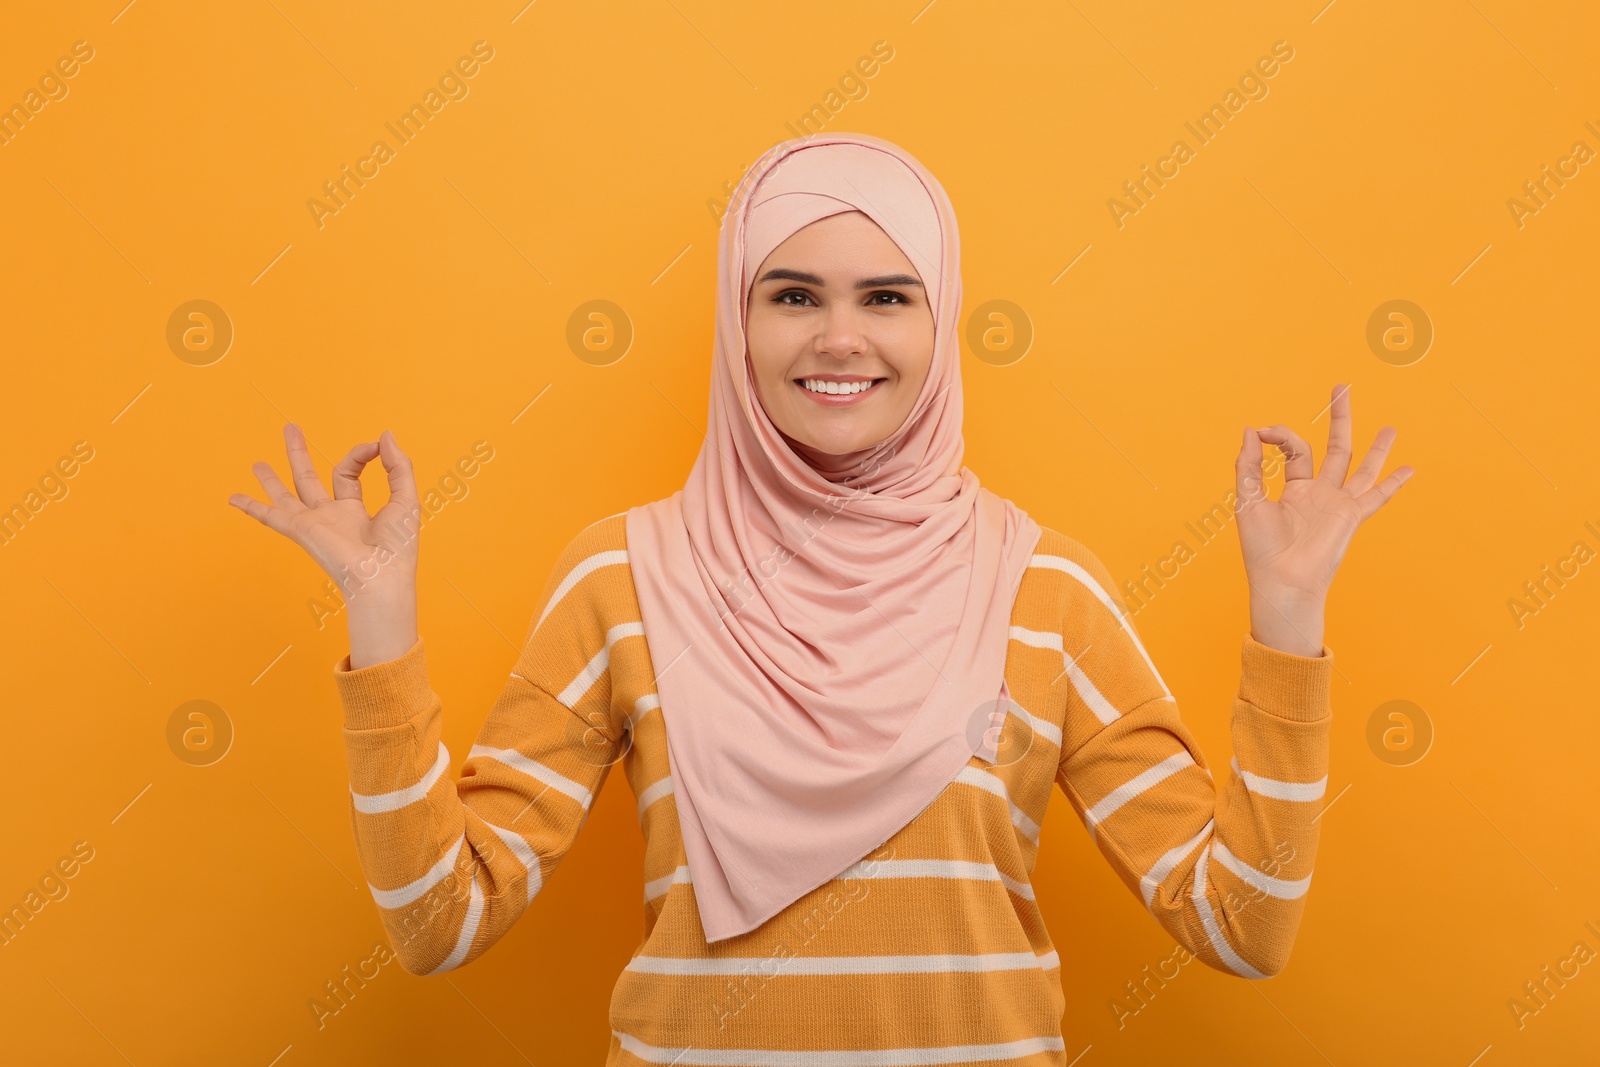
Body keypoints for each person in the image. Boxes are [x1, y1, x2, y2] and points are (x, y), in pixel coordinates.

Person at [228, 131, 1413, 1064]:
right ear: (736, 323)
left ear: (939, 323)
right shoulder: (623, 578)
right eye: (791, 294)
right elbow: (442, 922)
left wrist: (1289, 618)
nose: (838, 338)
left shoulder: (1043, 589)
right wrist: (379, 616)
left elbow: (1238, 926)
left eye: (887, 298)